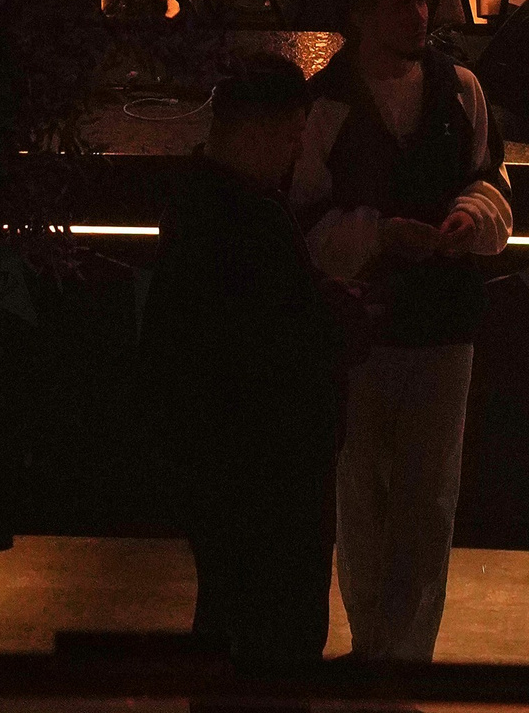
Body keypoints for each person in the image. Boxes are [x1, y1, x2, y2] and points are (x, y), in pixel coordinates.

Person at [292, 0, 512, 661]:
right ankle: (372, 647)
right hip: (356, 328)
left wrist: (469, 218)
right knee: (361, 497)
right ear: (360, 16)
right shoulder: (325, 105)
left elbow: (490, 179)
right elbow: (303, 221)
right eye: (400, 5)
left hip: (444, 321)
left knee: (429, 499)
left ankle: (404, 658)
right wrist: (380, 235)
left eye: (422, 1)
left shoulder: (460, 90)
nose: (418, 16)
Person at [139, 56, 342, 665]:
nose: (297, 150)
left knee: (227, 617)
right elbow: (274, 348)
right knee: (277, 634)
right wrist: (338, 322)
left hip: (220, 468)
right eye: (292, 134)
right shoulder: (248, 219)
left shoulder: (199, 205)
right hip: (267, 474)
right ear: (257, 131)